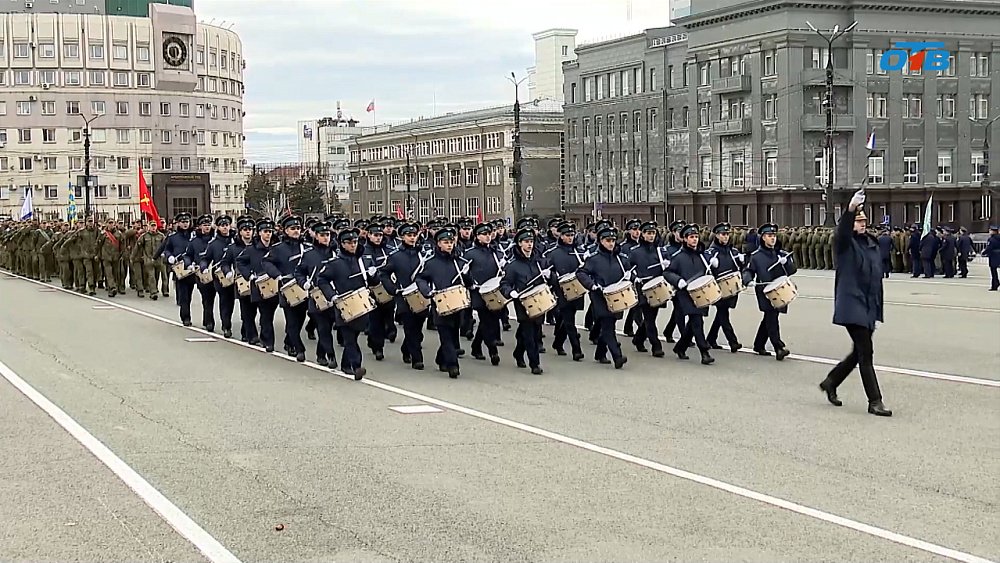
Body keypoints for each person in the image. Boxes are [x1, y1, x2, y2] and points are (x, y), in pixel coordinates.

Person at [819, 190, 892, 417]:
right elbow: (842, 233)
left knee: (858, 352)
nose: (861, 224)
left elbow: (876, 281)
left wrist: (877, 313)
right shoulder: (844, 244)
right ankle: (875, 401)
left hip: (868, 306)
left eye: (864, 221)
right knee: (866, 353)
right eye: (858, 221)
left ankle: (831, 381)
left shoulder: (871, 245)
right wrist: (850, 209)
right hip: (852, 304)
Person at [317, 228, 375, 379]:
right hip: (343, 305)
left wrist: (373, 275)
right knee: (349, 338)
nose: (353, 245)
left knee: (354, 337)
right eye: (349, 242)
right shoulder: (335, 263)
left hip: (361, 305)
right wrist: (332, 296)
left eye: (355, 242)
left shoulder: (364, 261)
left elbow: (373, 282)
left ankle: (344, 364)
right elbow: (321, 280)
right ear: (342, 244)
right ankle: (357, 366)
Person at [415, 226, 472, 378]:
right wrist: (427, 292)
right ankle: (453, 366)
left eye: (451, 242)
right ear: (438, 244)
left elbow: (469, 283)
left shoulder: (459, 261)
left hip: (458, 305)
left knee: (453, 336)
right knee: (445, 335)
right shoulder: (431, 263)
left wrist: (466, 275)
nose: (449, 245)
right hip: (440, 303)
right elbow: (420, 278)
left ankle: (441, 358)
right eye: (445, 242)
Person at [577, 225, 629, 369]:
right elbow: (581, 273)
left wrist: (631, 276)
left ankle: (600, 353)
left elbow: (629, 270)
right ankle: (617, 356)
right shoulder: (594, 259)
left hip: (616, 295)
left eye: (613, 240)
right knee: (608, 326)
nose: (611, 243)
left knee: (610, 324)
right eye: (607, 240)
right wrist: (592, 285)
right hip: (599, 296)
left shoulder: (620, 258)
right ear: (600, 241)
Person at [743, 222, 796, 360]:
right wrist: (748, 280)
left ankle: (759, 344)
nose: (773, 238)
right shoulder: (756, 256)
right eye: (769, 235)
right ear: (763, 238)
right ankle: (778, 347)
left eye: (774, 235)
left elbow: (792, 270)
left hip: (779, 289)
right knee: (772, 317)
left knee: (770, 317)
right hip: (764, 291)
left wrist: (787, 263)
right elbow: (748, 270)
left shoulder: (781, 254)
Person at [663, 223, 715, 365]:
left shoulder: (702, 255)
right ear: (685, 239)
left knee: (694, 323)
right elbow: (667, 272)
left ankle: (680, 347)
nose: (694, 240)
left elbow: (709, 272)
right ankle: (704, 352)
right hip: (685, 294)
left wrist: (714, 265)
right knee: (697, 321)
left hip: (701, 292)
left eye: (696, 237)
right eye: (691, 237)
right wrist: (678, 280)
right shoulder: (678, 257)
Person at [500, 227, 549, 375]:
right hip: (522, 302)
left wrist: (549, 275)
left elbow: (550, 280)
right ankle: (535, 364)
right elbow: (504, 284)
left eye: (531, 241)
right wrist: (511, 292)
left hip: (539, 300)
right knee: (529, 334)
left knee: (531, 331)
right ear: (519, 243)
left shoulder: (539, 261)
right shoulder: (513, 265)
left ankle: (518, 352)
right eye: (526, 242)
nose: (529, 245)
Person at [380, 222, 428, 370]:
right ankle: (417, 358)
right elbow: (384, 273)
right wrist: (393, 290)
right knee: (410, 326)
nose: (412, 238)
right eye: (409, 235)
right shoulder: (395, 256)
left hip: (421, 294)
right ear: (402, 237)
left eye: (414, 235)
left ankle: (406, 348)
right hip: (404, 296)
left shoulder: (423, 254)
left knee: (418, 327)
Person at [235, 218, 279, 352]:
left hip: (274, 285)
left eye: (270, 231)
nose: (268, 234)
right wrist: (249, 275)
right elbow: (240, 262)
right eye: (265, 231)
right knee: (264, 314)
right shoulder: (251, 249)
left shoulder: (276, 248)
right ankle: (268, 341)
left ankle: (265, 337)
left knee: (270, 314)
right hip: (259, 286)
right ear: (259, 233)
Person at [545, 221, 586, 362]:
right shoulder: (552, 253)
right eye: (567, 235)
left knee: (565, 319)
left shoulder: (578, 252)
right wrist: (552, 277)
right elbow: (548, 272)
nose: (570, 238)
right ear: (561, 236)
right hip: (561, 291)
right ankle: (577, 350)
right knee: (569, 321)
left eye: (572, 235)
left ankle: (557, 343)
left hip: (577, 290)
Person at [465, 222, 505, 365]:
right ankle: (493, 351)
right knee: (487, 321)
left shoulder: (495, 252)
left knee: (490, 320)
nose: (488, 237)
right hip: (478, 291)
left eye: (489, 234)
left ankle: (476, 346)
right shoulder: (470, 253)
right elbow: (464, 273)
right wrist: (469, 281)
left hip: (493, 291)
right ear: (477, 236)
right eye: (484, 234)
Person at [627, 220, 668, 357]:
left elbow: (667, 269)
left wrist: (666, 265)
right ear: (643, 235)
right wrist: (634, 277)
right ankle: (656, 346)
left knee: (651, 317)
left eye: (653, 233)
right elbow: (628, 269)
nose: (651, 236)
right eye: (648, 233)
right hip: (643, 287)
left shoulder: (660, 251)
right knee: (650, 318)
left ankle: (638, 339)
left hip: (657, 287)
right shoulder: (635, 252)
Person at [706, 222, 744, 353]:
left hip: (731, 287)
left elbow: (739, 269)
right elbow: (705, 272)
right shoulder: (711, 252)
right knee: (723, 314)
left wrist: (742, 262)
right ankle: (732, 341)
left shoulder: (733, 251)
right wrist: (710, 264)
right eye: (723, 234)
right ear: (716, 235)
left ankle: (711, 339)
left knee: (721, 314)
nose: (726, 237)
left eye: (727, 234)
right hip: (717, 288)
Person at [183, 214, 217, 331]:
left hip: (216, 272)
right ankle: (209, 321)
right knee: (206, 298)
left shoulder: (216, 240)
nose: (207, 227)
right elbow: (188, 256)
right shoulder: (194, 242)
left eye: (208, 225)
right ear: (200, 227)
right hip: (201, 273)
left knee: (213, 298)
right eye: (204, 225)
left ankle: (211, 320)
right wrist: (189, 264)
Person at [204, 215, 236, 338]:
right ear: (218, 227)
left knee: (231, 302)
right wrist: (204, 267)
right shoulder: (213, 244)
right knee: (224, 301)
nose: (225, 228)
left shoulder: (235, 240)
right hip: (220, 277)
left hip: (235, 276)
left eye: (227, 225)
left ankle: (229, 322)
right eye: (222, 225)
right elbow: (205, 259)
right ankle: (226, 326)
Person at [162, 213, 196, 326]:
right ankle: (185, 317)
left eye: (187, 222)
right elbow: (166, 250)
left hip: (193, 268)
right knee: (184, 295)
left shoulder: (194, 236)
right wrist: (169, 256)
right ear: (178, 223)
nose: (185, 224)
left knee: (192, 294)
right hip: (180, 268)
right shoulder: (173, 237)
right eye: (183, 222)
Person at [984, 225, 1000, 291]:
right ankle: (996, 282)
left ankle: (995, 284)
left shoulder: (991, 239)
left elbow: (989, 247)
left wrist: (984, 252)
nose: (989, 231)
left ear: (993, 232)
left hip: (993, 255)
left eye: (990, 230)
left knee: (993, 271)